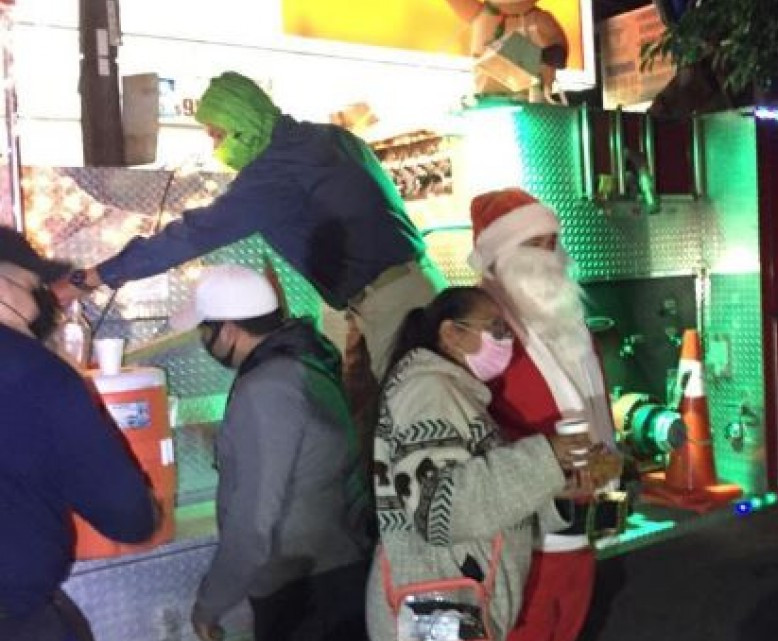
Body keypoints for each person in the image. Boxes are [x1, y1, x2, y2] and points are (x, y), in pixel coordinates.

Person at [56, 70, 446, 379]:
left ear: (241, 121)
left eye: (218, 135)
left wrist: (92, 277)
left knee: (415, 415)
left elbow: (195, 234)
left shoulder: (274, 172)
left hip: (390, 305)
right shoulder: (333, 138)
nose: (216, 148)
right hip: (414, 285)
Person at [365, 286, 601, 641]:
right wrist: (546, 458)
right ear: (451, 333)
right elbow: (438, 508)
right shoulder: (429, 391)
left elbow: (484, 500)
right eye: (495, 329)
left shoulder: (453, 392)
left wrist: (555, 487)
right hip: (437, 609)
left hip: (452, 600)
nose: (505, 341)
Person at [172, 264, 373, 641]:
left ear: (228, 329)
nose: (204, 342)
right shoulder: (303, 364)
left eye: (204, 330)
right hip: (332, 573)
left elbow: (254, 517)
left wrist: (211, 603)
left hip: (306, 592)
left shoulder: (266, 389)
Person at [466, 188, 626, 641]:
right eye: (530, 246)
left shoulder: (569, 319)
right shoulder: (481, 333)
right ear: (497, 257)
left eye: (551, 242)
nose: (546, 256)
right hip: (526, 543)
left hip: (585, 530)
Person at [0, 227, 157, 641]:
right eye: (33, 287)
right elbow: (126, 514)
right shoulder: (35, 372)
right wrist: (149, 508)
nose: (40, 303)